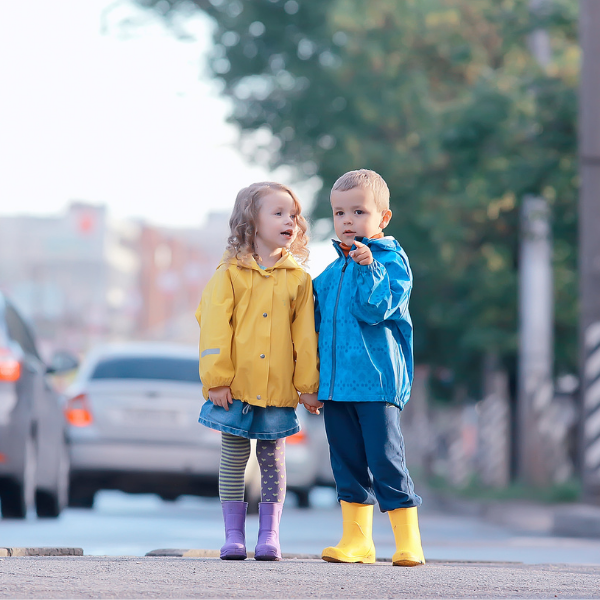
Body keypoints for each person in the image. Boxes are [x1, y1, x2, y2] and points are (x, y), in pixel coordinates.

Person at [305, 168, 425, 567]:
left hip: (376, 383)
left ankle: (409, 542)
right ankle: (357, 542)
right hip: (337, 386)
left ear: (383, 218)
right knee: (346, 462)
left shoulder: (391, 262)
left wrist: (368, 265)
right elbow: (311, 325)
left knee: (385, 459)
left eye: (358, 212)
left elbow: (373, 309)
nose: (348, 221)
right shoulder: (331, 271)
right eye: (340, 213)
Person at [195, 182, 319, 561]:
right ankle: (234, 535)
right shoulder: (229, 273)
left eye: (294, 215)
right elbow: (214, 326)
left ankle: (270, 536)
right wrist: (216, 378)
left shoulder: (298, 278)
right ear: (252, 221)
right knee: (233, 458)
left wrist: (307, 386)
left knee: (273, 460)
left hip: (278, 390)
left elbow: (306, 337)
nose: (289, 221)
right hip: (235, 389)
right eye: (278, 213)